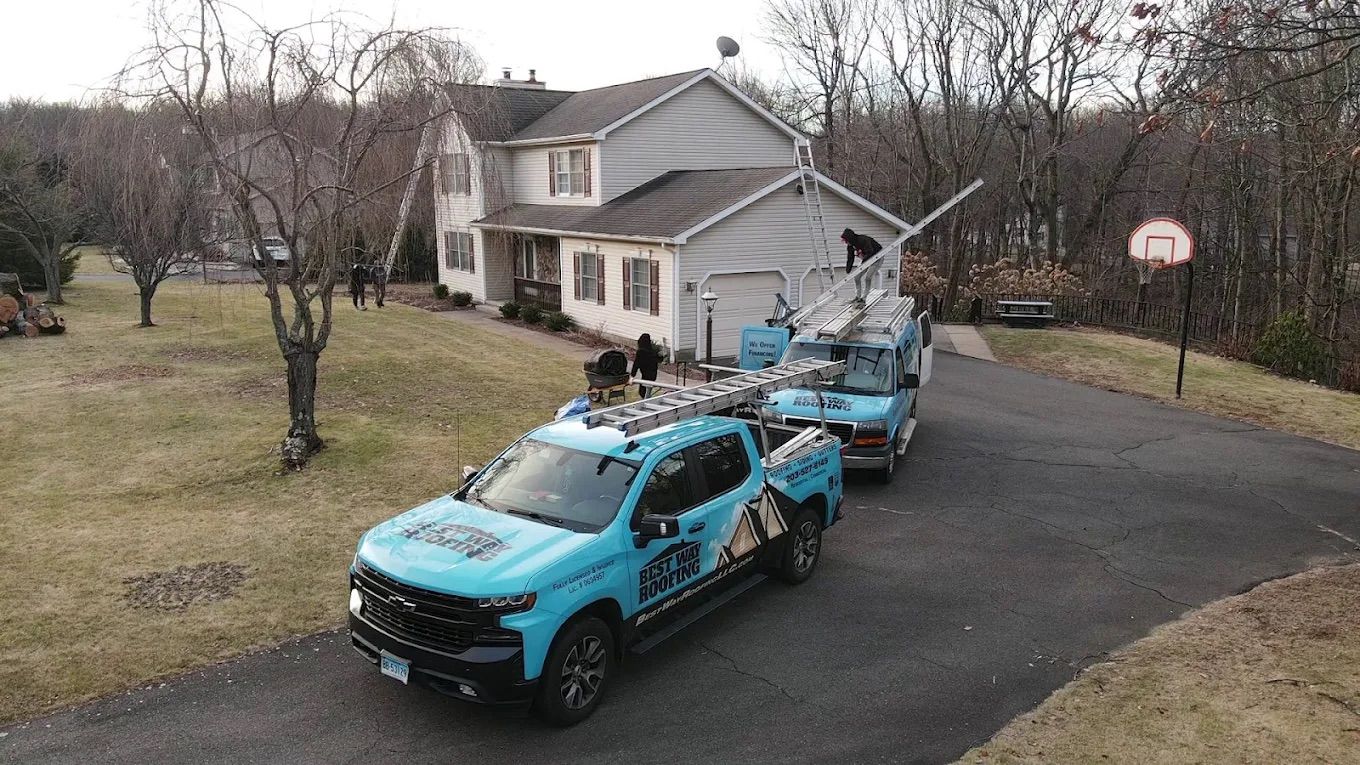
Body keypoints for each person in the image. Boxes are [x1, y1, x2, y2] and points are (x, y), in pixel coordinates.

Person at [841, 228, 884, 302]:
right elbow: (850, 258)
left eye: (846, 241)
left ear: (850, 239)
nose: (846, 243)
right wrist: (848, 270)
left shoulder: (863, 240)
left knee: (868, 278)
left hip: (877, 257)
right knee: (857, 277)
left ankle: (864, 298)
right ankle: (858, 296)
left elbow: (870, 251)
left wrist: (863, 263)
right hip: (866, 258)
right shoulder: (850, 246)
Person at [632, 333, 660, 399]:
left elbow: (636, 364)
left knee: (642, 392)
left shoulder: (641, 352)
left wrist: (632, 375)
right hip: (653, 374)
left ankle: (646, 402)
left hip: (646, 375)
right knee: (647, 391)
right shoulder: (652, 351)